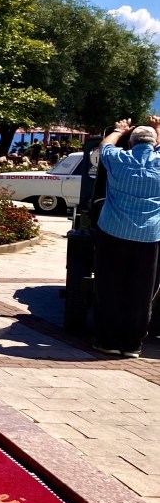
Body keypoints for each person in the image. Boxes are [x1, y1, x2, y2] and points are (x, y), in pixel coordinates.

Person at [92, 117, 160, 358]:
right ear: (154, 144)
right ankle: (132, 345)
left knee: (109, 286)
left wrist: (119, 130)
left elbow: (104, 146)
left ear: (131, 143)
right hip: (149, 236)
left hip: (113, 232)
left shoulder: (119, 159)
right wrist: (157, 128)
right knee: (142, 291)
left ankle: (107, 340)